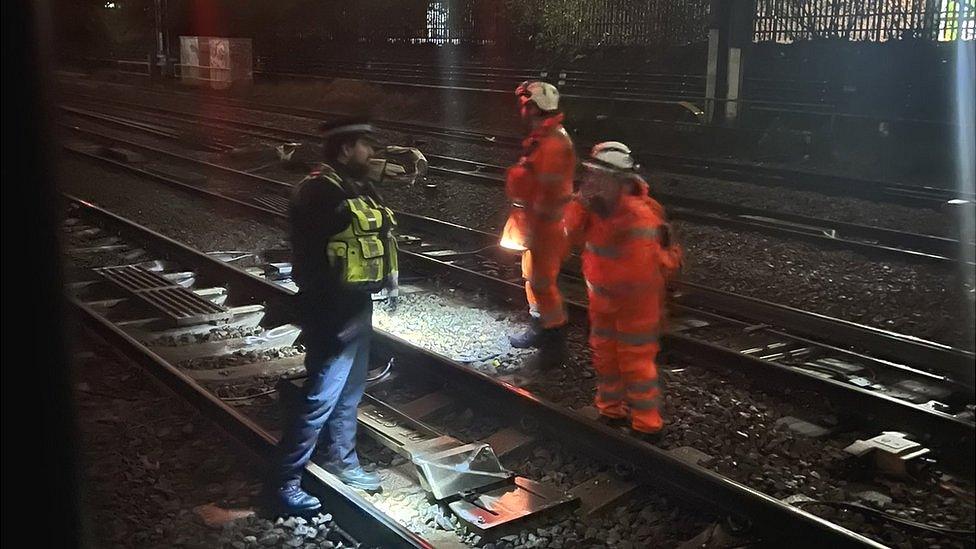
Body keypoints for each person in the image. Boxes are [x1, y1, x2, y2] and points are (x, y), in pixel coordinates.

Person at [269, 118, 401, 514]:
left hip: (357, 307)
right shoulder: (316, 192)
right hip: (331, 311)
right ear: (345, 149)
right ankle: (283, 482)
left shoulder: (356, 187)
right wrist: (329, 310)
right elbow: (309, 262)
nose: (372, 154)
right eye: (365, 145)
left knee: (349, 393)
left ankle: (343, 462)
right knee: (319, 398)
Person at [565, 142, 683, 442]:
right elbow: (570, 235)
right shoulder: (597, 208)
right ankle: (610, 409)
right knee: (605, 356)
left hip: (635, 306)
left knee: (635, 363)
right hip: (605, 301)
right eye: (592, 175)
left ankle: (646, 425)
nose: (592, 182)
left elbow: (635, 273)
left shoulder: (639, 217)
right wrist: (579, 204)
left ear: (620, 182)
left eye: (599, 177)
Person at [501, 81, 577, 354]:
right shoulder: (545, 139)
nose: (522, 110)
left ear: (533, 108)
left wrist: (534, 227)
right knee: (533, 277)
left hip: (547, 225)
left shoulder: (553, 144)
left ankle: (553, 341)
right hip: (539, 223)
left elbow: (549, 191)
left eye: (525, 105)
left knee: (543, 282)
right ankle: (540, 325)